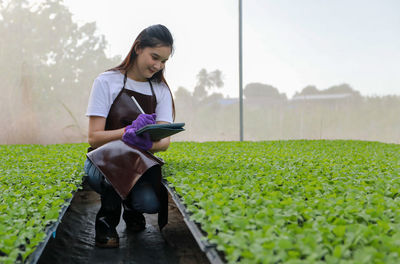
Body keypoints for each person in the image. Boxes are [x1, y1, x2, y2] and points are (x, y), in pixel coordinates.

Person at [83, 24, 175, 248]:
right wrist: (126, 133)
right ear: (138, 48)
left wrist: (145, 140)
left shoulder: (160, 90)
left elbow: (164, 142)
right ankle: (106, 225)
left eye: (163, 61)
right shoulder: (106, 81)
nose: (158, 65)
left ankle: (132, 209)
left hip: (139, 164)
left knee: (150, 203)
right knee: (116, 165)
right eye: (154, 57)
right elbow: (94, 137)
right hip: (102, 163)